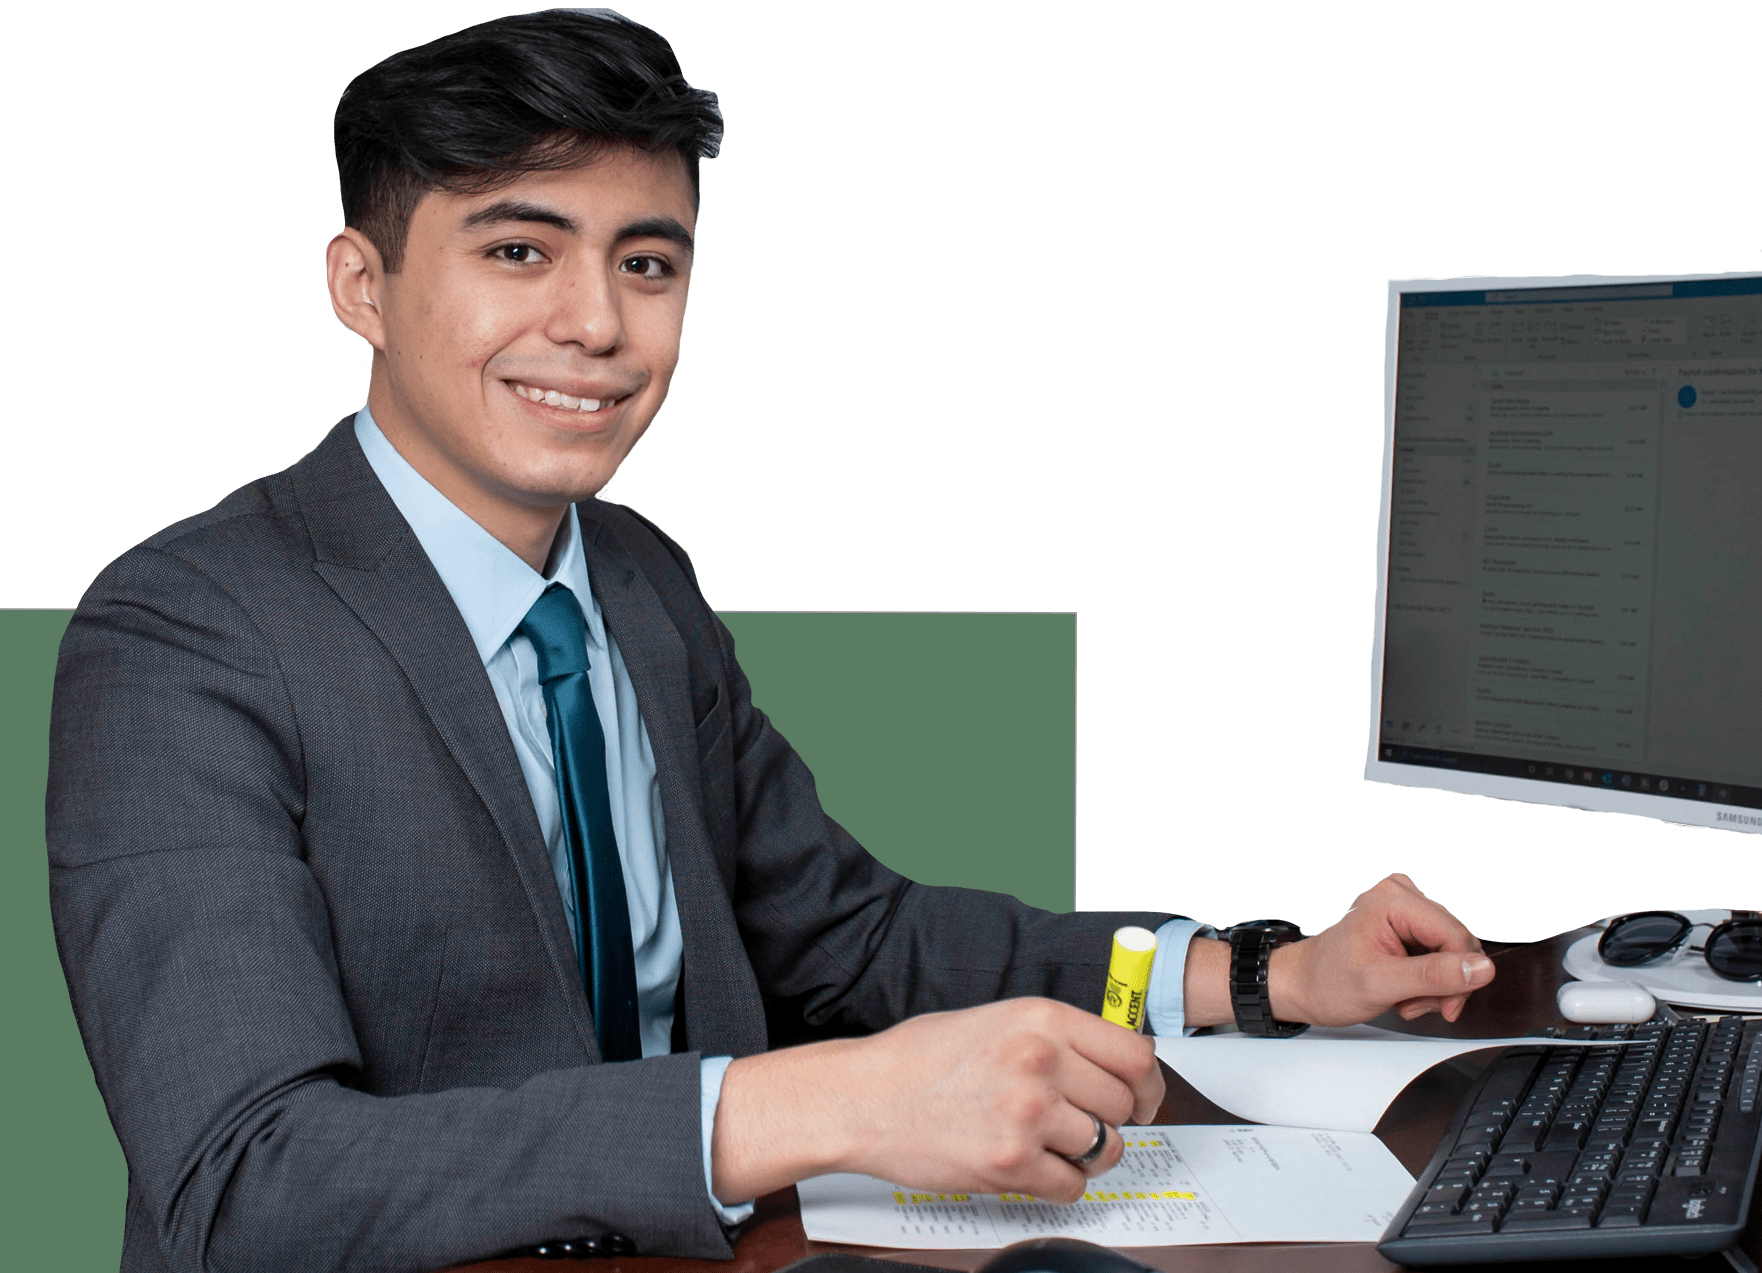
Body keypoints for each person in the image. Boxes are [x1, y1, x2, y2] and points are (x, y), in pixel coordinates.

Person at [46, 10, 1496, 1271]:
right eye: (516, 249)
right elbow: (242, 1183)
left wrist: (1258, 980)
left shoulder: (635, 577)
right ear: (362, 286)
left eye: (649, 263)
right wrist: (822, 1105)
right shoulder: (185, 634)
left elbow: (852, 941)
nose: (597, 324)